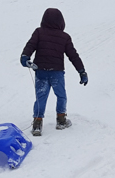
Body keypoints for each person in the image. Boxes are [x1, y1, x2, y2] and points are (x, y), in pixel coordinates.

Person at [20, 7, 88, 136]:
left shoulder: (39, 32)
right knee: (61, 95)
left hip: (40, 71)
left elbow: (30, 45)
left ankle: (37, 123)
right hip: (57, 73)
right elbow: (73, 55)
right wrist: (82, 71)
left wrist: (25, 57)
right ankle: (61, 120)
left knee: (41, 97)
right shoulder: (64, 37)